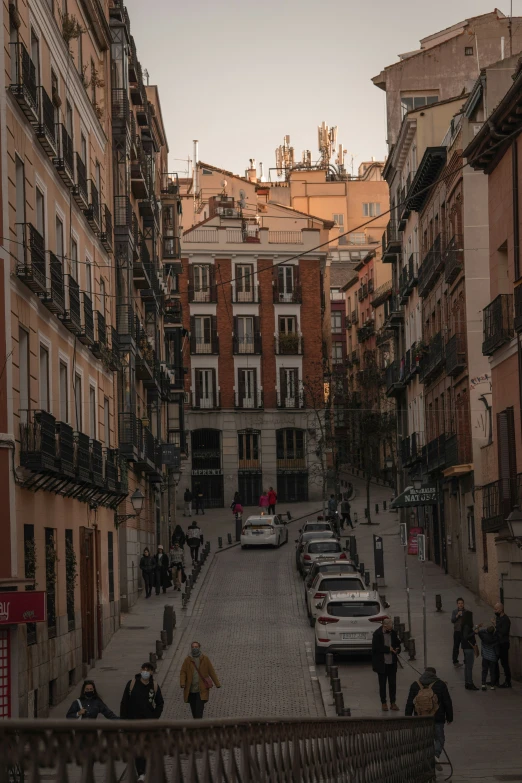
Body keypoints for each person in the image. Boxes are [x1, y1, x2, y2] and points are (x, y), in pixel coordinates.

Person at [120, 663, 164, 781]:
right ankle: (141, 772)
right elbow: (124, 703)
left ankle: (145, 769)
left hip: (147, 724)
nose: (145, 672)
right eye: (143, 669)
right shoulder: (132, 684)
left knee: (145, 747)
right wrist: (123, 721)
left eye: (148, 670)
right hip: (132, 722)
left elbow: (160, 703)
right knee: (136, 748)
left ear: (151, 672)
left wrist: (154, 717)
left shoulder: (154, 686)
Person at [405, 667, 453, 771]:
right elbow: (447, 702)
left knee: (424, 739)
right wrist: (450, 717)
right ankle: (435, 755)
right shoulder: (441, 684)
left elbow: (409, 703)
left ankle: (425, 760)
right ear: (434, 674)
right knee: (439, 738)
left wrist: (408, 718)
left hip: (420, 718)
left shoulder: (415, 685)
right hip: (437, 717)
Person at [180, 641, 221, 719]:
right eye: (193, 647)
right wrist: (182, 683)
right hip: (191, 689)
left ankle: (198, 725)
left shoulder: (205, 659)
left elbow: (211, 671)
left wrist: (217, 683)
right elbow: (183, 672)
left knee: (199, 709)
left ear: (199, 648)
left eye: (196, 647)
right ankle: (196, 723)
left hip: (201, 689)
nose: (194, 648)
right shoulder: (187, 660)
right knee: (194, 709)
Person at [372, 617, 401, 711]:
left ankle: (393, 702)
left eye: (391, 625)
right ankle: (383, 703)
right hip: (382, 664)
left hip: (392, 663)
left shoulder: (393, 633)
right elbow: (376, 648)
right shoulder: (377, 634)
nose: (391, 627)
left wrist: (397, 649)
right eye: (390, 625)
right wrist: (388, 649)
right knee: (382, 685)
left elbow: (397, 644)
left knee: (393, 684)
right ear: (384, 625)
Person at [494, 602, 512, 688]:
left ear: (501, 609)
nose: (495, 610)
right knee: (494, 661)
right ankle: (495, 680)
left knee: (504, 663)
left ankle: (508, 681)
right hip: (498, 643)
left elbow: (503, 632)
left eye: (496, 609)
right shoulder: (498, 618)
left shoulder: (506, 619)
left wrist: (496, 625)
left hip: (504, 643)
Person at [477, 623, 499, 690]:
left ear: (487, 631)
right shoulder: (495, 638)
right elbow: (497, 650)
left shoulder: (483, 637)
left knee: (484, 671)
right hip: (492, 658)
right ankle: (492, 686)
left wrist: (485, 629)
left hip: (485, 657)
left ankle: (483, 684)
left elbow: (479, 632)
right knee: (492, 672)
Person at [461, 610, 479, 690]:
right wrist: (474, 632)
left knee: (467, 667)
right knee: (469, 667)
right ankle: (470, 683)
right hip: (469, 648)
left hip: (465, 647)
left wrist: (476, 628)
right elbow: (466, 636)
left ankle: (467, 683)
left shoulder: (464, 625)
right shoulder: (467, 626)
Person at [451, 597, 465, 667]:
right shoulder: (454, 611)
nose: (460, 605)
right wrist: (457, 615)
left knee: (465, 646)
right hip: (457, 631)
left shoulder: (466, 611)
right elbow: (452, 620)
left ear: (463, 604)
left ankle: (466, 660)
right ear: (457, 604)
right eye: (459, 603)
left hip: (464, 632)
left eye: (462, 603)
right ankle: (455, 661)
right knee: (456, 646)